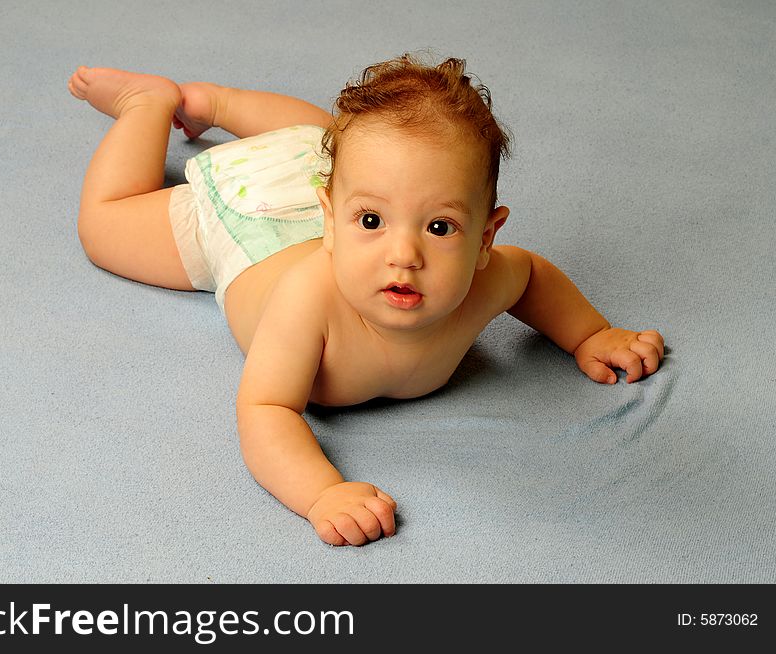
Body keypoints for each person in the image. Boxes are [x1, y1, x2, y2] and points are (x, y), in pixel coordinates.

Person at [68, 54, 665, 547]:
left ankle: (228, 111)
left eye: (439, 228)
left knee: (326, 141)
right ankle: (154, 104)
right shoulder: (310, 300)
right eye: (375, 222)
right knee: (105, 226)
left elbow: (531, 275)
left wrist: (589, 333)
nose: (403, 255)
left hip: (332, 179)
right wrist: (321, 491)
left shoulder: (485, 280)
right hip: (248, 225)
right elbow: (266, 410)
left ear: (486, 237)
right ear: (332, 220)